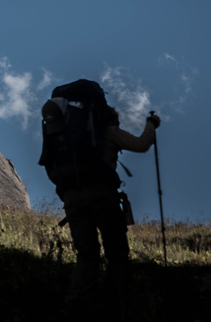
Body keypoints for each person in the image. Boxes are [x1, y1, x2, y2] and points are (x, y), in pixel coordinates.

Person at [62, 107, 160, 313]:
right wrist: (152, 124)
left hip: (72, 198)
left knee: (87, 254)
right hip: (102, 196)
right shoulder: (109, 132)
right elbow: (142, 144)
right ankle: (116, 304)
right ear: (112, 120)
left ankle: (75, 307)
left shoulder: (70, 135)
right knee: (116, 252)